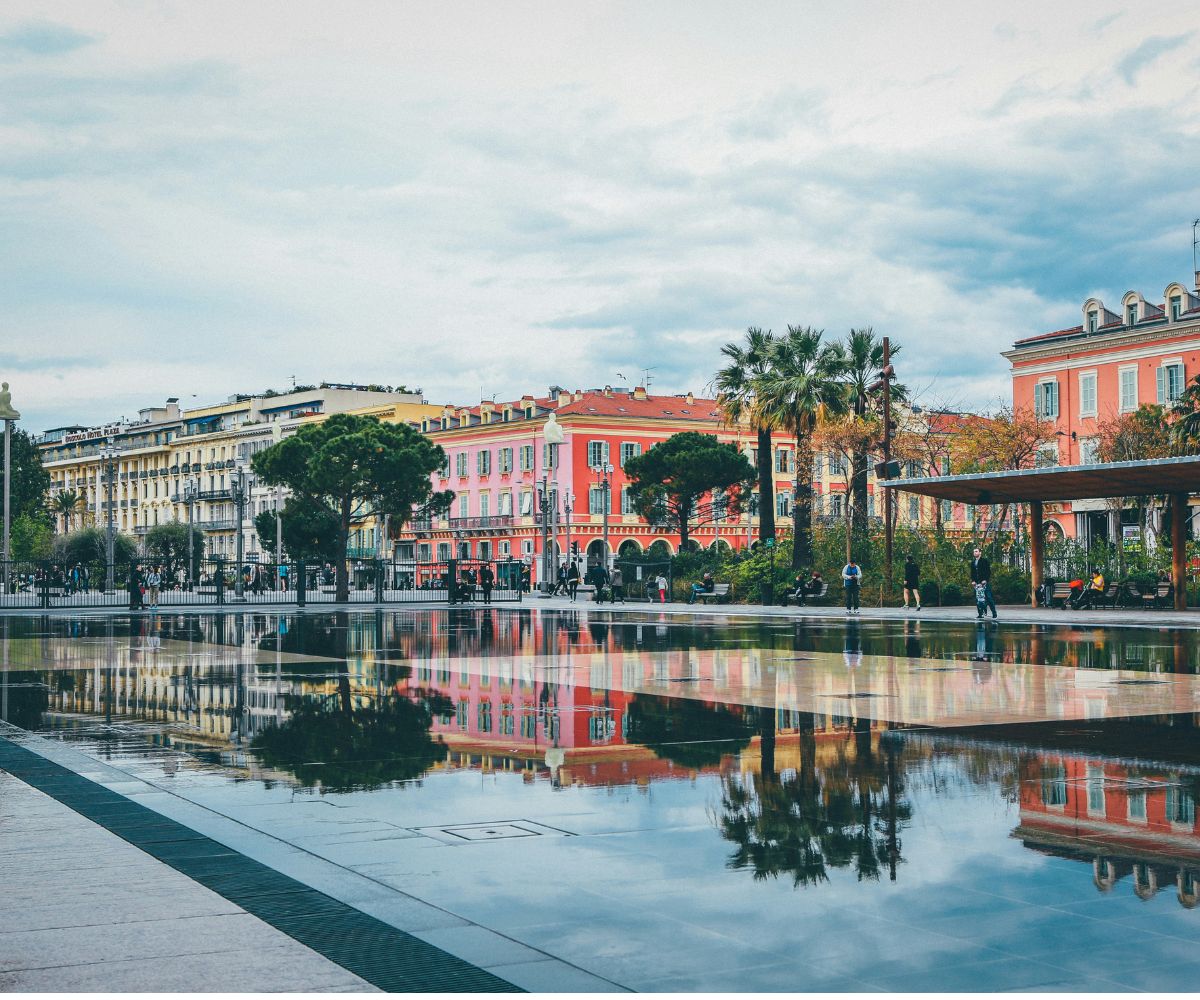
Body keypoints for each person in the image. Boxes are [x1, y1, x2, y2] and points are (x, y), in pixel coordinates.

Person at [970, 547, 997, 620]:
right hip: (977, 583)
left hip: (984, 583)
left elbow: (988, 571)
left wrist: (985, 580)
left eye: (976, 551)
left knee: (989, 597)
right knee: (978, 599)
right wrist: (973, 581)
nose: (975, 553)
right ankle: (980, 614)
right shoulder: (973, 562)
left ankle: (994, 613)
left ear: (980, 553)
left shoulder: (984, 561)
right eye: (974, 552)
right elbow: (972, 573)